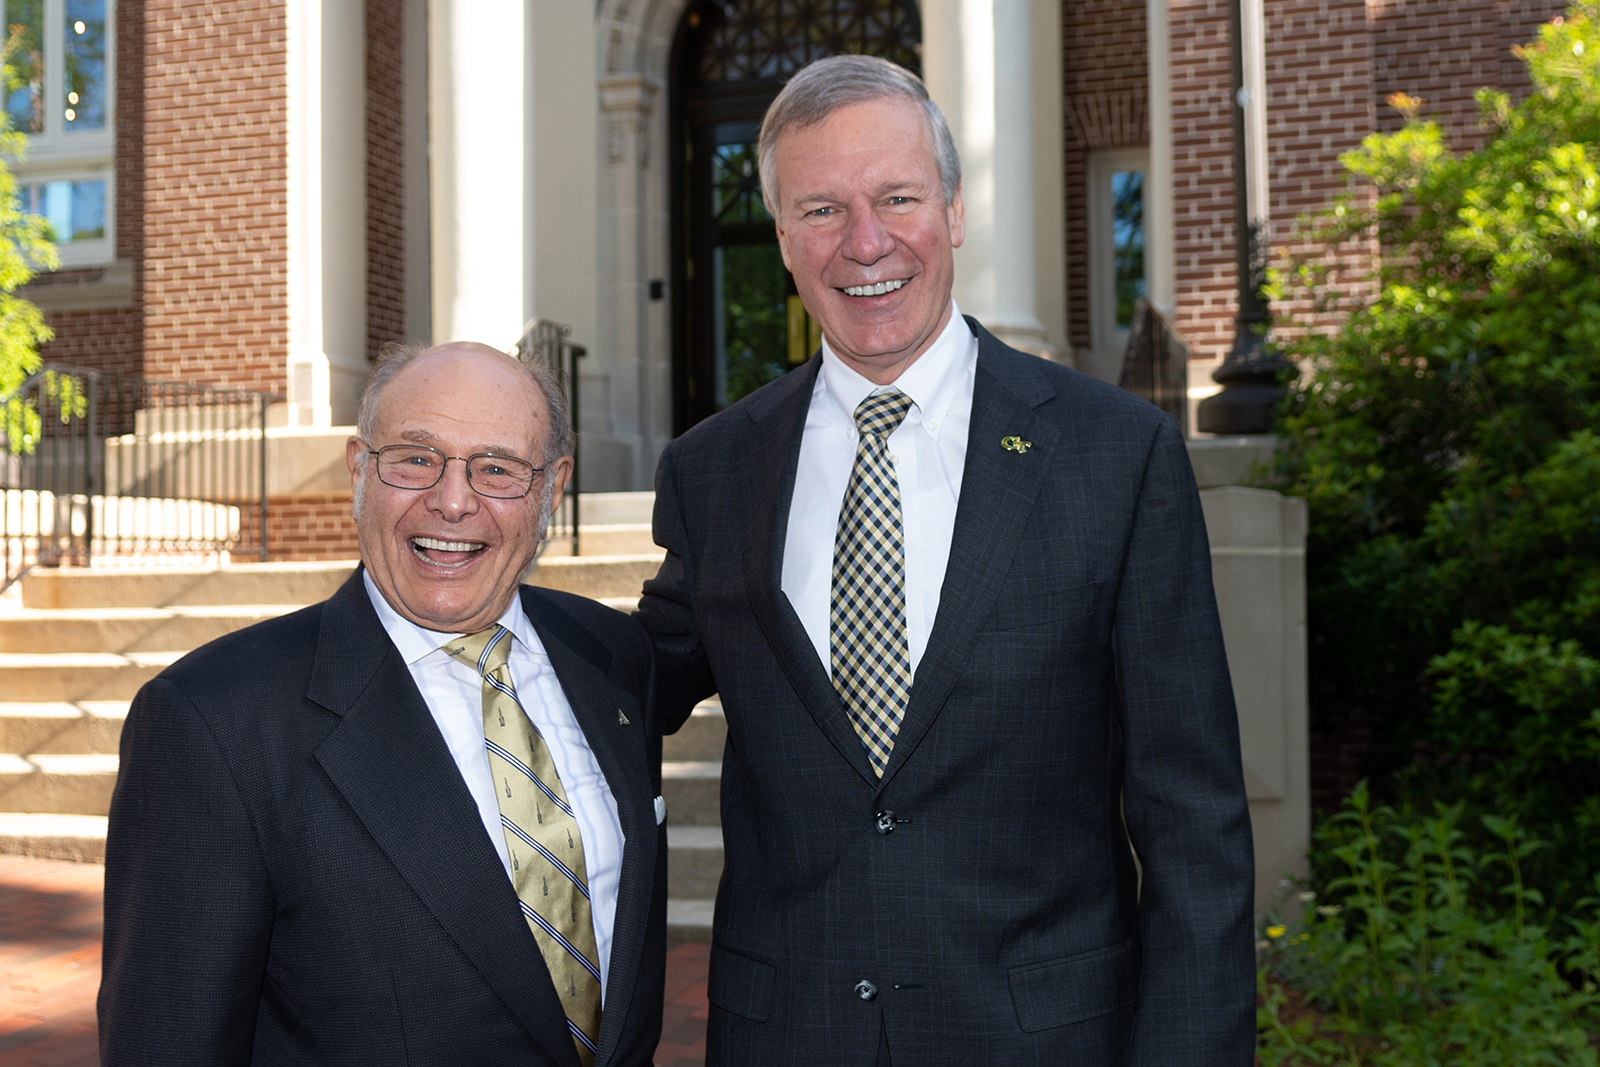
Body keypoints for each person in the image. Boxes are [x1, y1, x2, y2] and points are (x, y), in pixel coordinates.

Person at [637, 55, 1256, 1065]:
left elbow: (1193, 817)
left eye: (896, 198)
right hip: (789, 1036)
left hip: (1043, 1037)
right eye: (821, 209)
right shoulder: (714, 468)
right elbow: (637, 673)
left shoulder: (1115, 453)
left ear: (955, 210)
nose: (865, 242)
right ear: (784, 238)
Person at [100, 342, 667, 1067]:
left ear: (552, 487)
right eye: (414, 457)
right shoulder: (214, 722)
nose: (454, 500)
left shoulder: (613, 657)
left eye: (496, 468)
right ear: (358, 469)